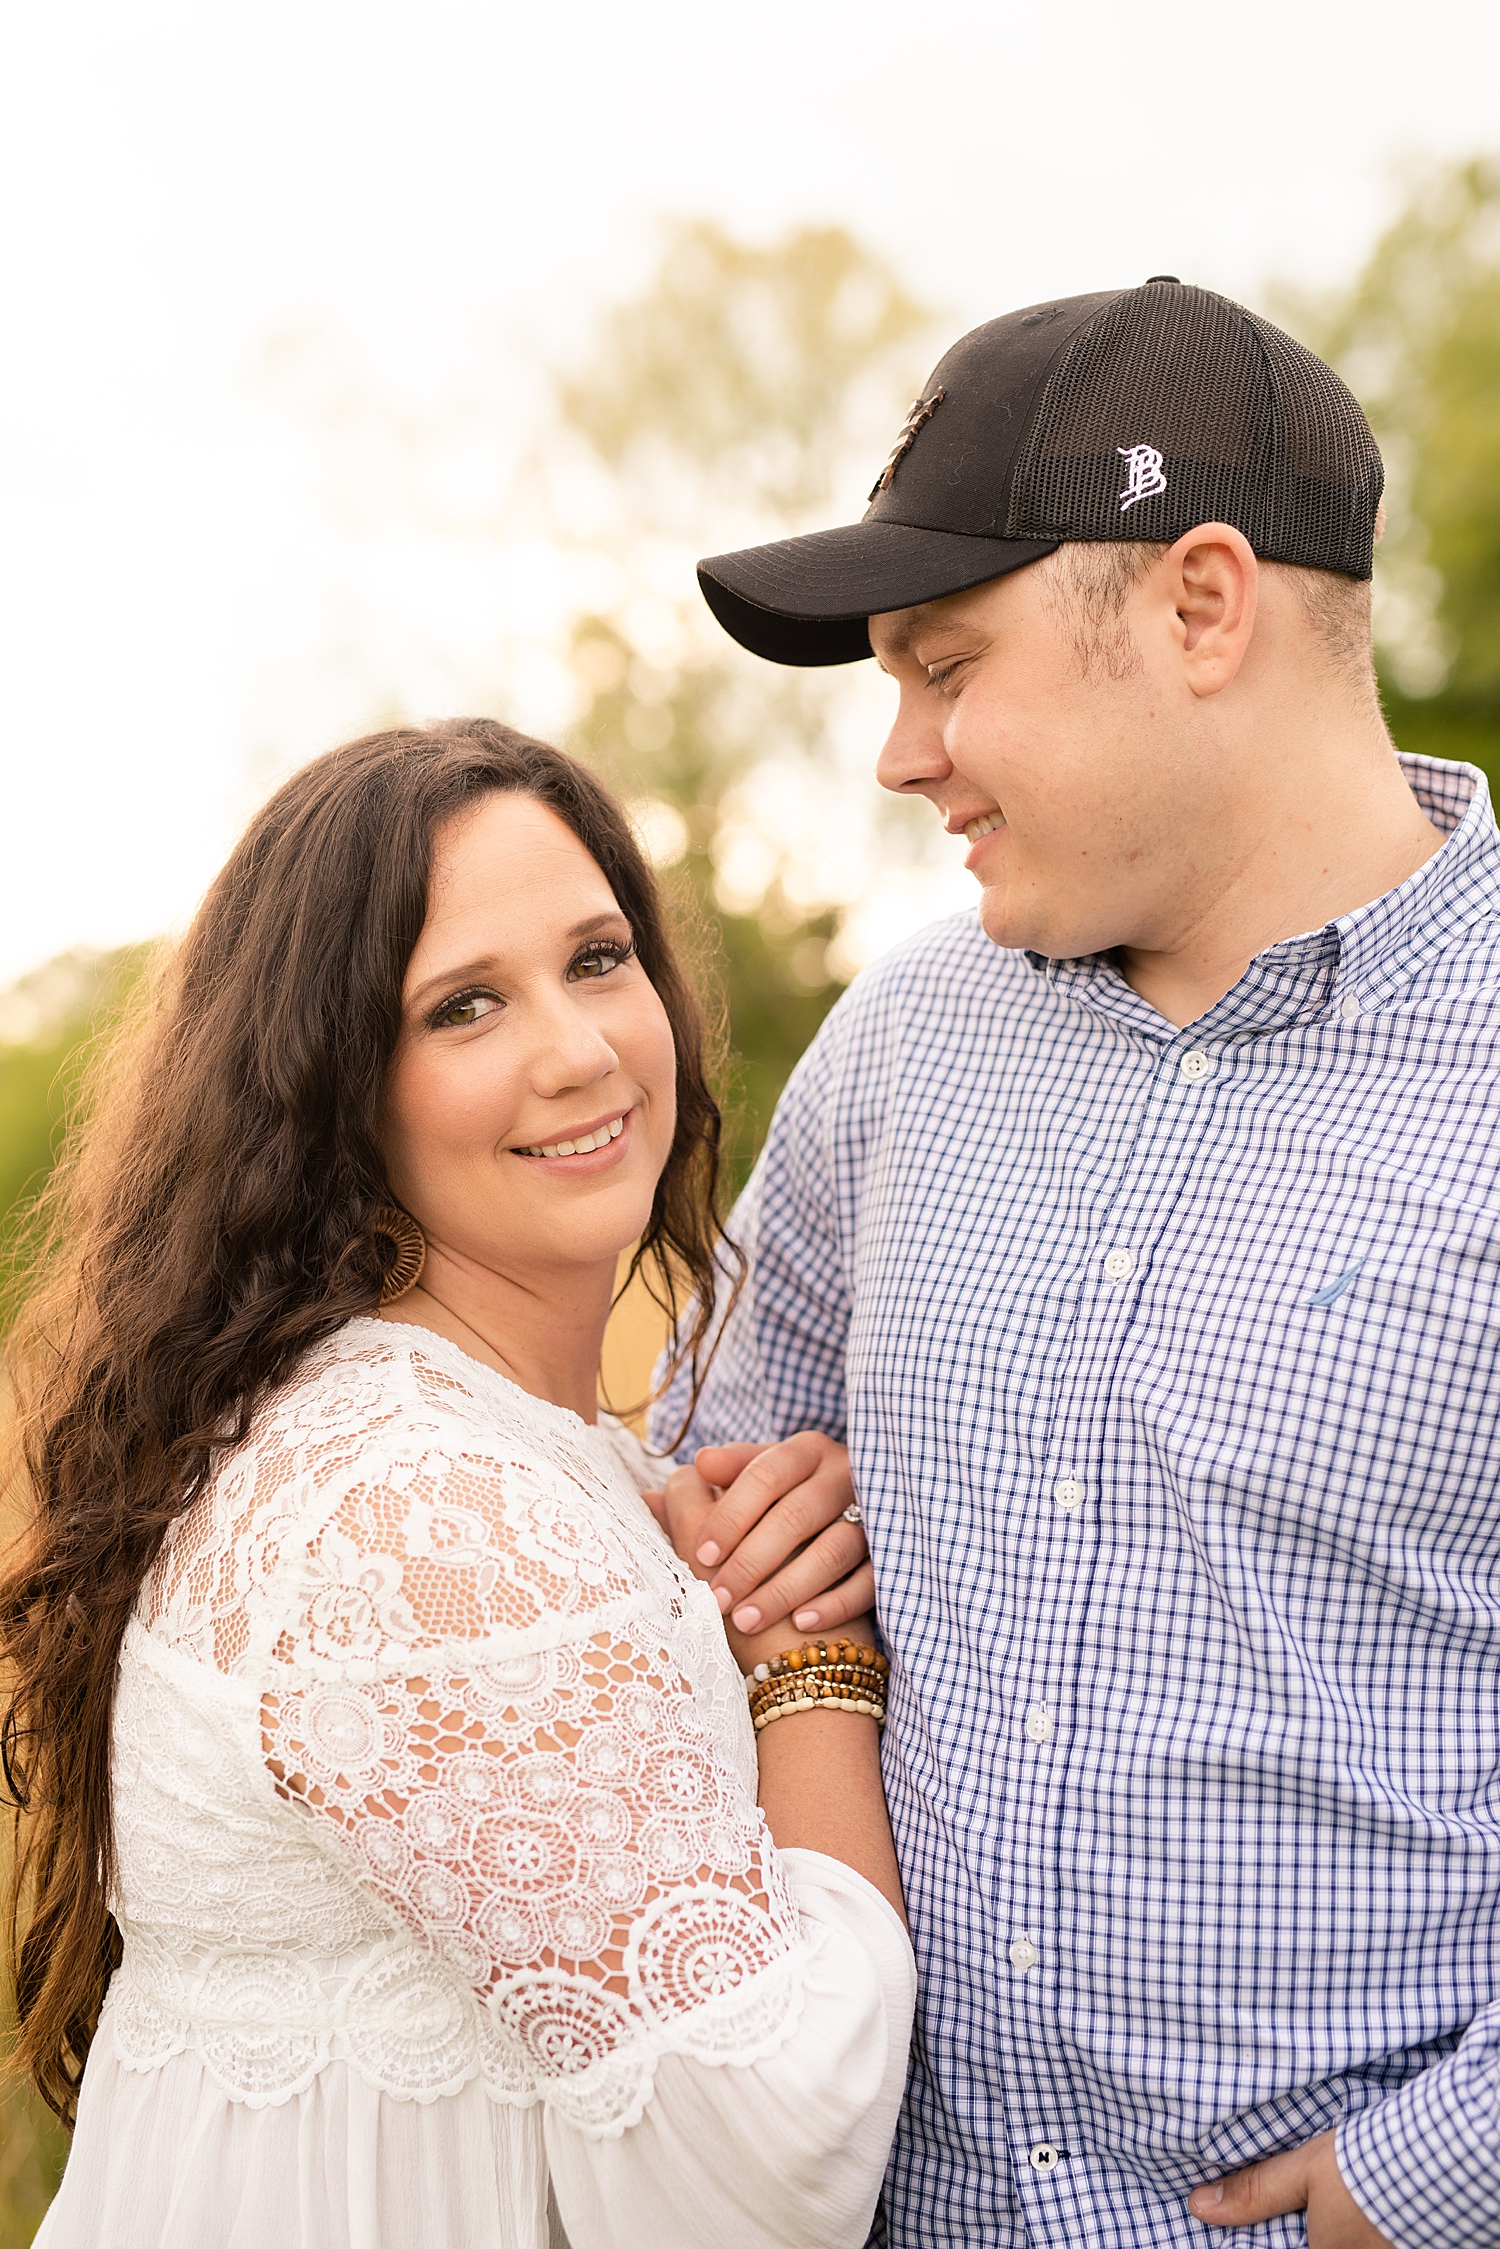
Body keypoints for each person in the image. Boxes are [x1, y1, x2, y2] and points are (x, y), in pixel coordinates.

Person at [654, 280, 1500, 2248]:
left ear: (1207, 607)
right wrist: (752, 1563)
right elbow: (706, 1488)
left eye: (946, 665)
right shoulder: (905, 1043)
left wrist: (1431, 2181)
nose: (899, 755)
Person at [0, 719, 913, 2249]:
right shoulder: (422, 1511)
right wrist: (805, 1655)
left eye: (602, 958)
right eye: (466, 1004)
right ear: (331, 1087)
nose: (577, 1048)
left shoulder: (443, 1444)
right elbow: (773, 2156)